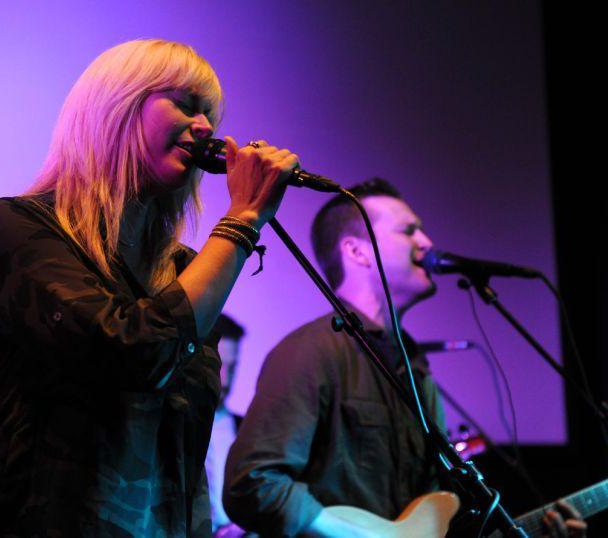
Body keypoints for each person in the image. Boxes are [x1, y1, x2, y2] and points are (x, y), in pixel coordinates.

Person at [0, 38, 298, 537]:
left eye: (210, 113)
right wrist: (242, 222)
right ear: (118, 108)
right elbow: (131, 351)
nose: (207, 127)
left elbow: (182, 451)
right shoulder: (18, 228)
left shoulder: (183, 270)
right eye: (186, 103)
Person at [223, 179, 587, 537]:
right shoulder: (311, 351)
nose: (427, 243)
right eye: (409, 231)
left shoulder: (416, 369)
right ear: (357, 251)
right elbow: (252, 483)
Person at [205, 314, 246, 535]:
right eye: (220, 365)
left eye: (232, 368)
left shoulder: (247, 430)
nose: (227, 380)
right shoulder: (169, 423)